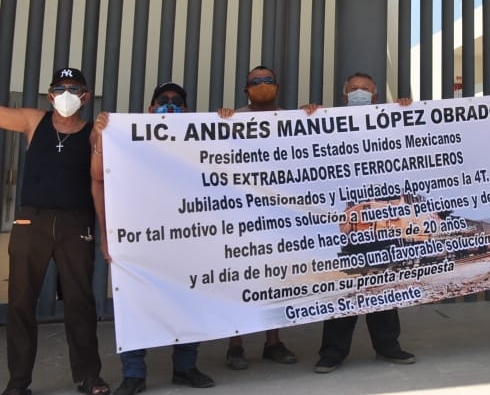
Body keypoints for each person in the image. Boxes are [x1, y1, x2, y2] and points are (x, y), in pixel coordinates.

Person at [90, 83, 216, 394]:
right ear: (150, 109)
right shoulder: (125, 137)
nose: (169, 106)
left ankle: (185, 367)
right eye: (163, 101)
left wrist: (227, 121)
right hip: (138, 238)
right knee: (134, 302)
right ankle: (134, 374)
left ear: (186, 111)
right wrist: (100, 134)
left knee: (189, 301)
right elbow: (98, 177)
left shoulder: (197, 140)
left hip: (186, 236)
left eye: (176, 102)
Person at [1, 68, 110, 395]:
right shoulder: (35, 121)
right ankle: (18, 382)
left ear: (85, 96)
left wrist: (104, 233)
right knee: (20, 302)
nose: (66, 94)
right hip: (31, 221)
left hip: (76, 222)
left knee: (80, 301)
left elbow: (97, 180)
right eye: (60, 88)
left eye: (74, 88)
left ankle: (89, 376)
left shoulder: (92, 132)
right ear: (50, 95)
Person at [304, 72, 417, 372]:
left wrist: (407, 111)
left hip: (382, 220)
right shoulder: (327, 123)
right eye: (353, 89)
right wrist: (306, 116)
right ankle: (333, 352)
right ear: (344, 97)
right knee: (346, 288)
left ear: (376, 97)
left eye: (365, 90)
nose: (358, 94)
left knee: (383, 285)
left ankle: (388, 346)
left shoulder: (391, 123)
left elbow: (416, 146)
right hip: (350, 223)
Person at [218, 66, 298, 368]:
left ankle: (273, 342)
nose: (262, 85)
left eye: (267, 81)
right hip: (239, 214)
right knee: (238, 279)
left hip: (276, 215)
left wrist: (310, 115)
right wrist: (220, 121)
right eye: (255, 82)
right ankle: (235, 346)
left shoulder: (291, 120)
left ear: (276, 87)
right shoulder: (232, 119)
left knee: (274, 280)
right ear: (245, 89)